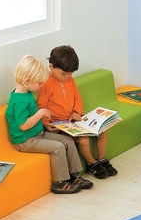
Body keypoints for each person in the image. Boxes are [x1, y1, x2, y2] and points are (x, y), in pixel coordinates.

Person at [5, 54, 92, 194]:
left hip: (37, 134)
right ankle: (59, 182)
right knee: (58, 147)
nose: (41, 86)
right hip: (25, 141)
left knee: (68, 141)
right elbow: (23, 126)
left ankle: (75, 176)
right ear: (27, 81)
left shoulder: (25, 93)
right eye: (39, 83)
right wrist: (40, 114)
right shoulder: (19, 101)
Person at [37, 45, 117, 179]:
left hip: (75, 118)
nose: (67, 77)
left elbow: (77, 98)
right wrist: (45, 123)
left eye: (71, 73)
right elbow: (42, 106)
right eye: (64, 74)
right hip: (59, 124)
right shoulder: (45, 84)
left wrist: (76, 112)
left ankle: (102, 159)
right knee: (84, 139)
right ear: (51, 67)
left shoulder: (70, 80)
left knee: (103, 129)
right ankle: (92, 164)